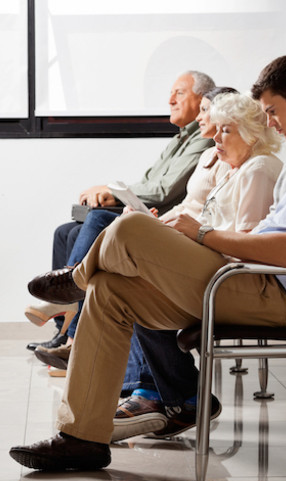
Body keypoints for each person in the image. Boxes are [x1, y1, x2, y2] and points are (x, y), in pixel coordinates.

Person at [9, 36, 286, 472]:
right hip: (253, 277)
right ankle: (81, 436)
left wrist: (207, 235)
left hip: (279, 294)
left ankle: (74, 282)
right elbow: (281, 233)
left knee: (131, 227)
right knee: (110, 288)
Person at [112, 55, 286, 441]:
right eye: (217, 129)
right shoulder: (238, 167)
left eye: (226, 130)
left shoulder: (260, 169)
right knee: (129, 258)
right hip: (227, 264)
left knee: (132, 257)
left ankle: (165, 392)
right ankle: (157, 391)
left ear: (251, 132)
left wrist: (192, 236)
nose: (215, 138)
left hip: (239, 273)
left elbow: (246, 243)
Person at [34, 86, 239, 370]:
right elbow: (184, 201)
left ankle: (72, 315)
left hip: (192, 237)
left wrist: (129, 202)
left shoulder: (217, 153)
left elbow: (177, 196)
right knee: (68, 231)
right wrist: (152, 215)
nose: (171, 101)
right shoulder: (200, 150)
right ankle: (68, 329)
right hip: (176, 222)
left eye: (181, 94)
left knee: (101, 224)